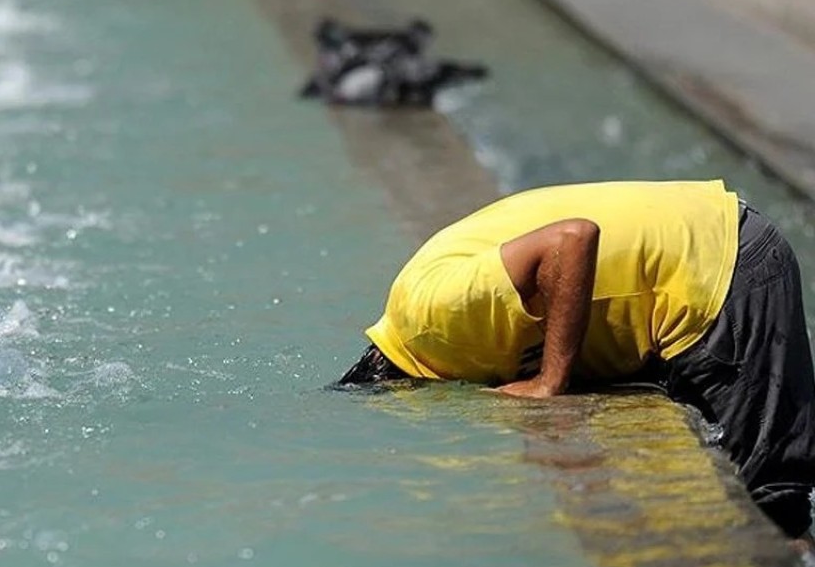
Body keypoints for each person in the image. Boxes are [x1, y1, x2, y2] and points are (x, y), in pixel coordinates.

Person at [340, 179, 815, 545]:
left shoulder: (431, 318)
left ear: (400, 387)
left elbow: (573, 238)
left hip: (718, 271)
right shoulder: (424, 319)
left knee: (770, 509)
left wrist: (550, 381)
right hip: (699, 256)